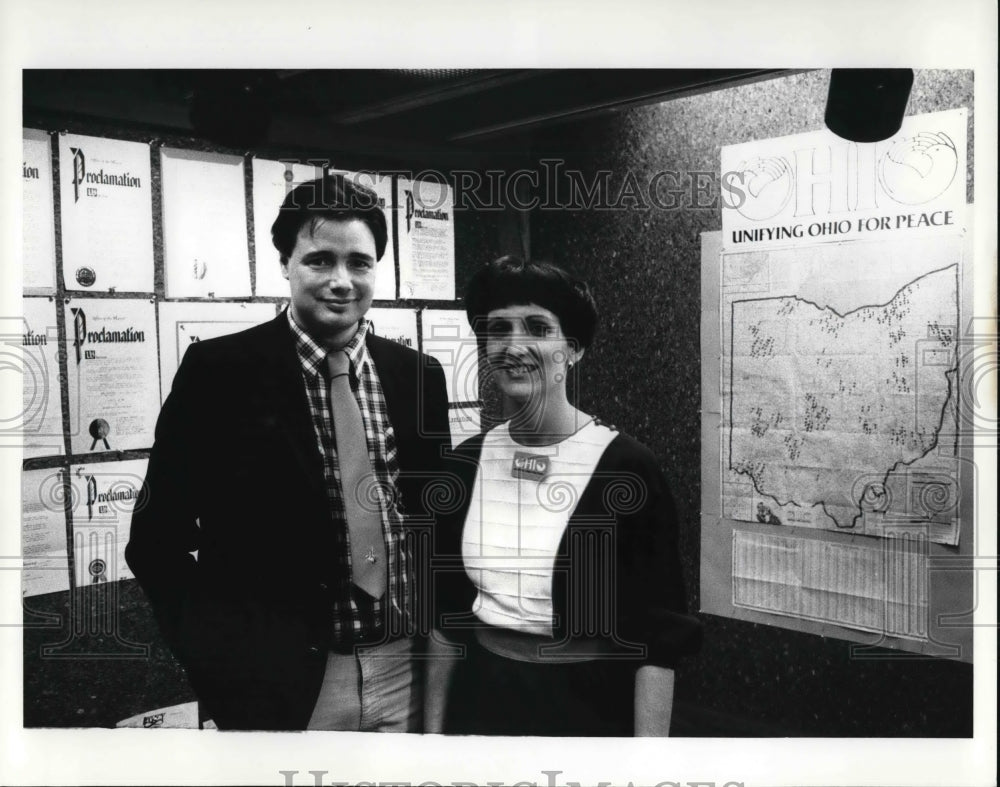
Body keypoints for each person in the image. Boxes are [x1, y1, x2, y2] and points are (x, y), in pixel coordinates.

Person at [126, 174, 450, 731]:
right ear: (285, 263)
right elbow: (157, 540)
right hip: (280, 682)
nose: (342, 281)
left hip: (406, 668)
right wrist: (217, 662)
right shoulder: (220, 374)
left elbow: (437, 522)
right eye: (320, 260)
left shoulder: (417, 376)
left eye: (360, 263)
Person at [426, 256, 701, 736]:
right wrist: (431, 741)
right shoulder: (466, 463)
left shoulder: (626, 467)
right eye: (499, 329)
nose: (514, 346)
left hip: (585, 704)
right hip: (481, 696)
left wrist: (647, 764)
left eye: (537, 327)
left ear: (573, 349)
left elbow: (658, 639)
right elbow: (446, 617)